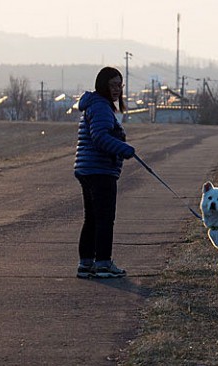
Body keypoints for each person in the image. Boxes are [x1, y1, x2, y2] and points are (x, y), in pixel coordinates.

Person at [74, 66, 136, 279]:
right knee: (104, 219)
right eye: (113, 85)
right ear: (103, 85)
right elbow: (99, 137)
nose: (117, 89)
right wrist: (124, 149)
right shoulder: (100, 106)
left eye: (120, 85)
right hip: (99, 170)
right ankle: (102, 264)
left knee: (92, 218)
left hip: (88, 169)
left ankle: (86, 264)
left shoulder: (96, 105)